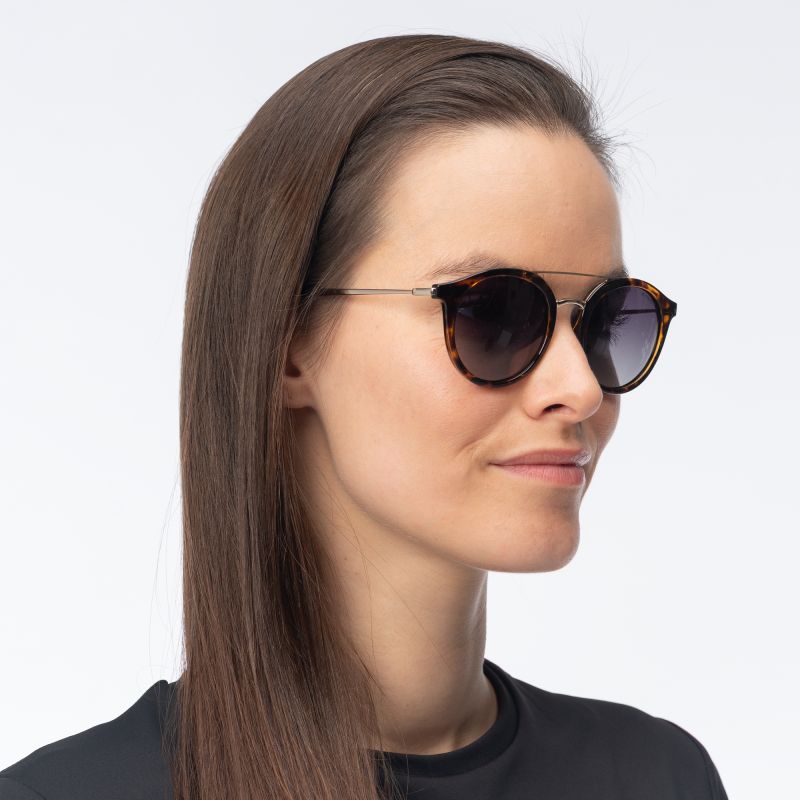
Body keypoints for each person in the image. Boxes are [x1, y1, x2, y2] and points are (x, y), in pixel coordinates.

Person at [0, 33, 728, 800]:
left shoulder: (658, 778)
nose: (580, 389)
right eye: (494, 314)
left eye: (607, 318)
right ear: (288, 346)